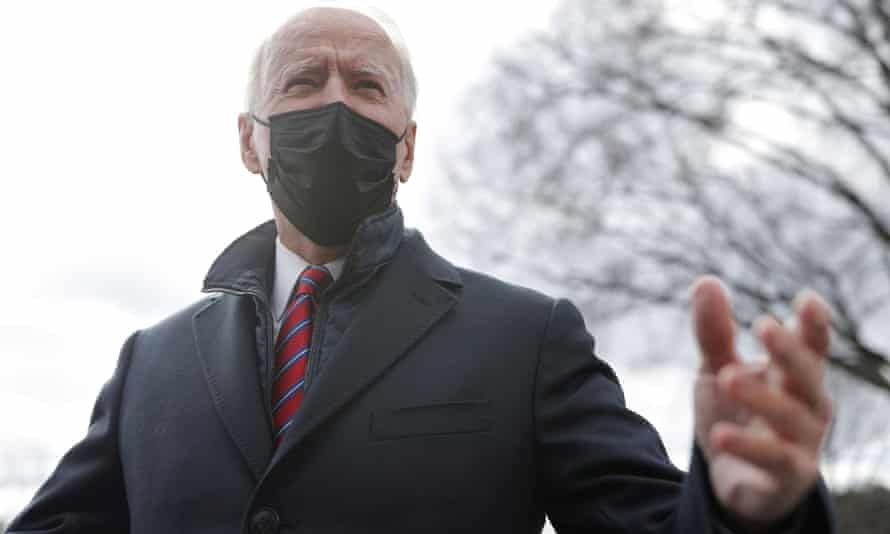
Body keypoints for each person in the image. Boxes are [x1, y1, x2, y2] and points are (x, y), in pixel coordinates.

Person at [8, 5, 836, 534]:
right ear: (248, 139)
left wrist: (747, 514)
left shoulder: (527, 337)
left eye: (367, 85)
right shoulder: (148, 362)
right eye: (303, 81)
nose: (335, 102)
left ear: (405, 148)